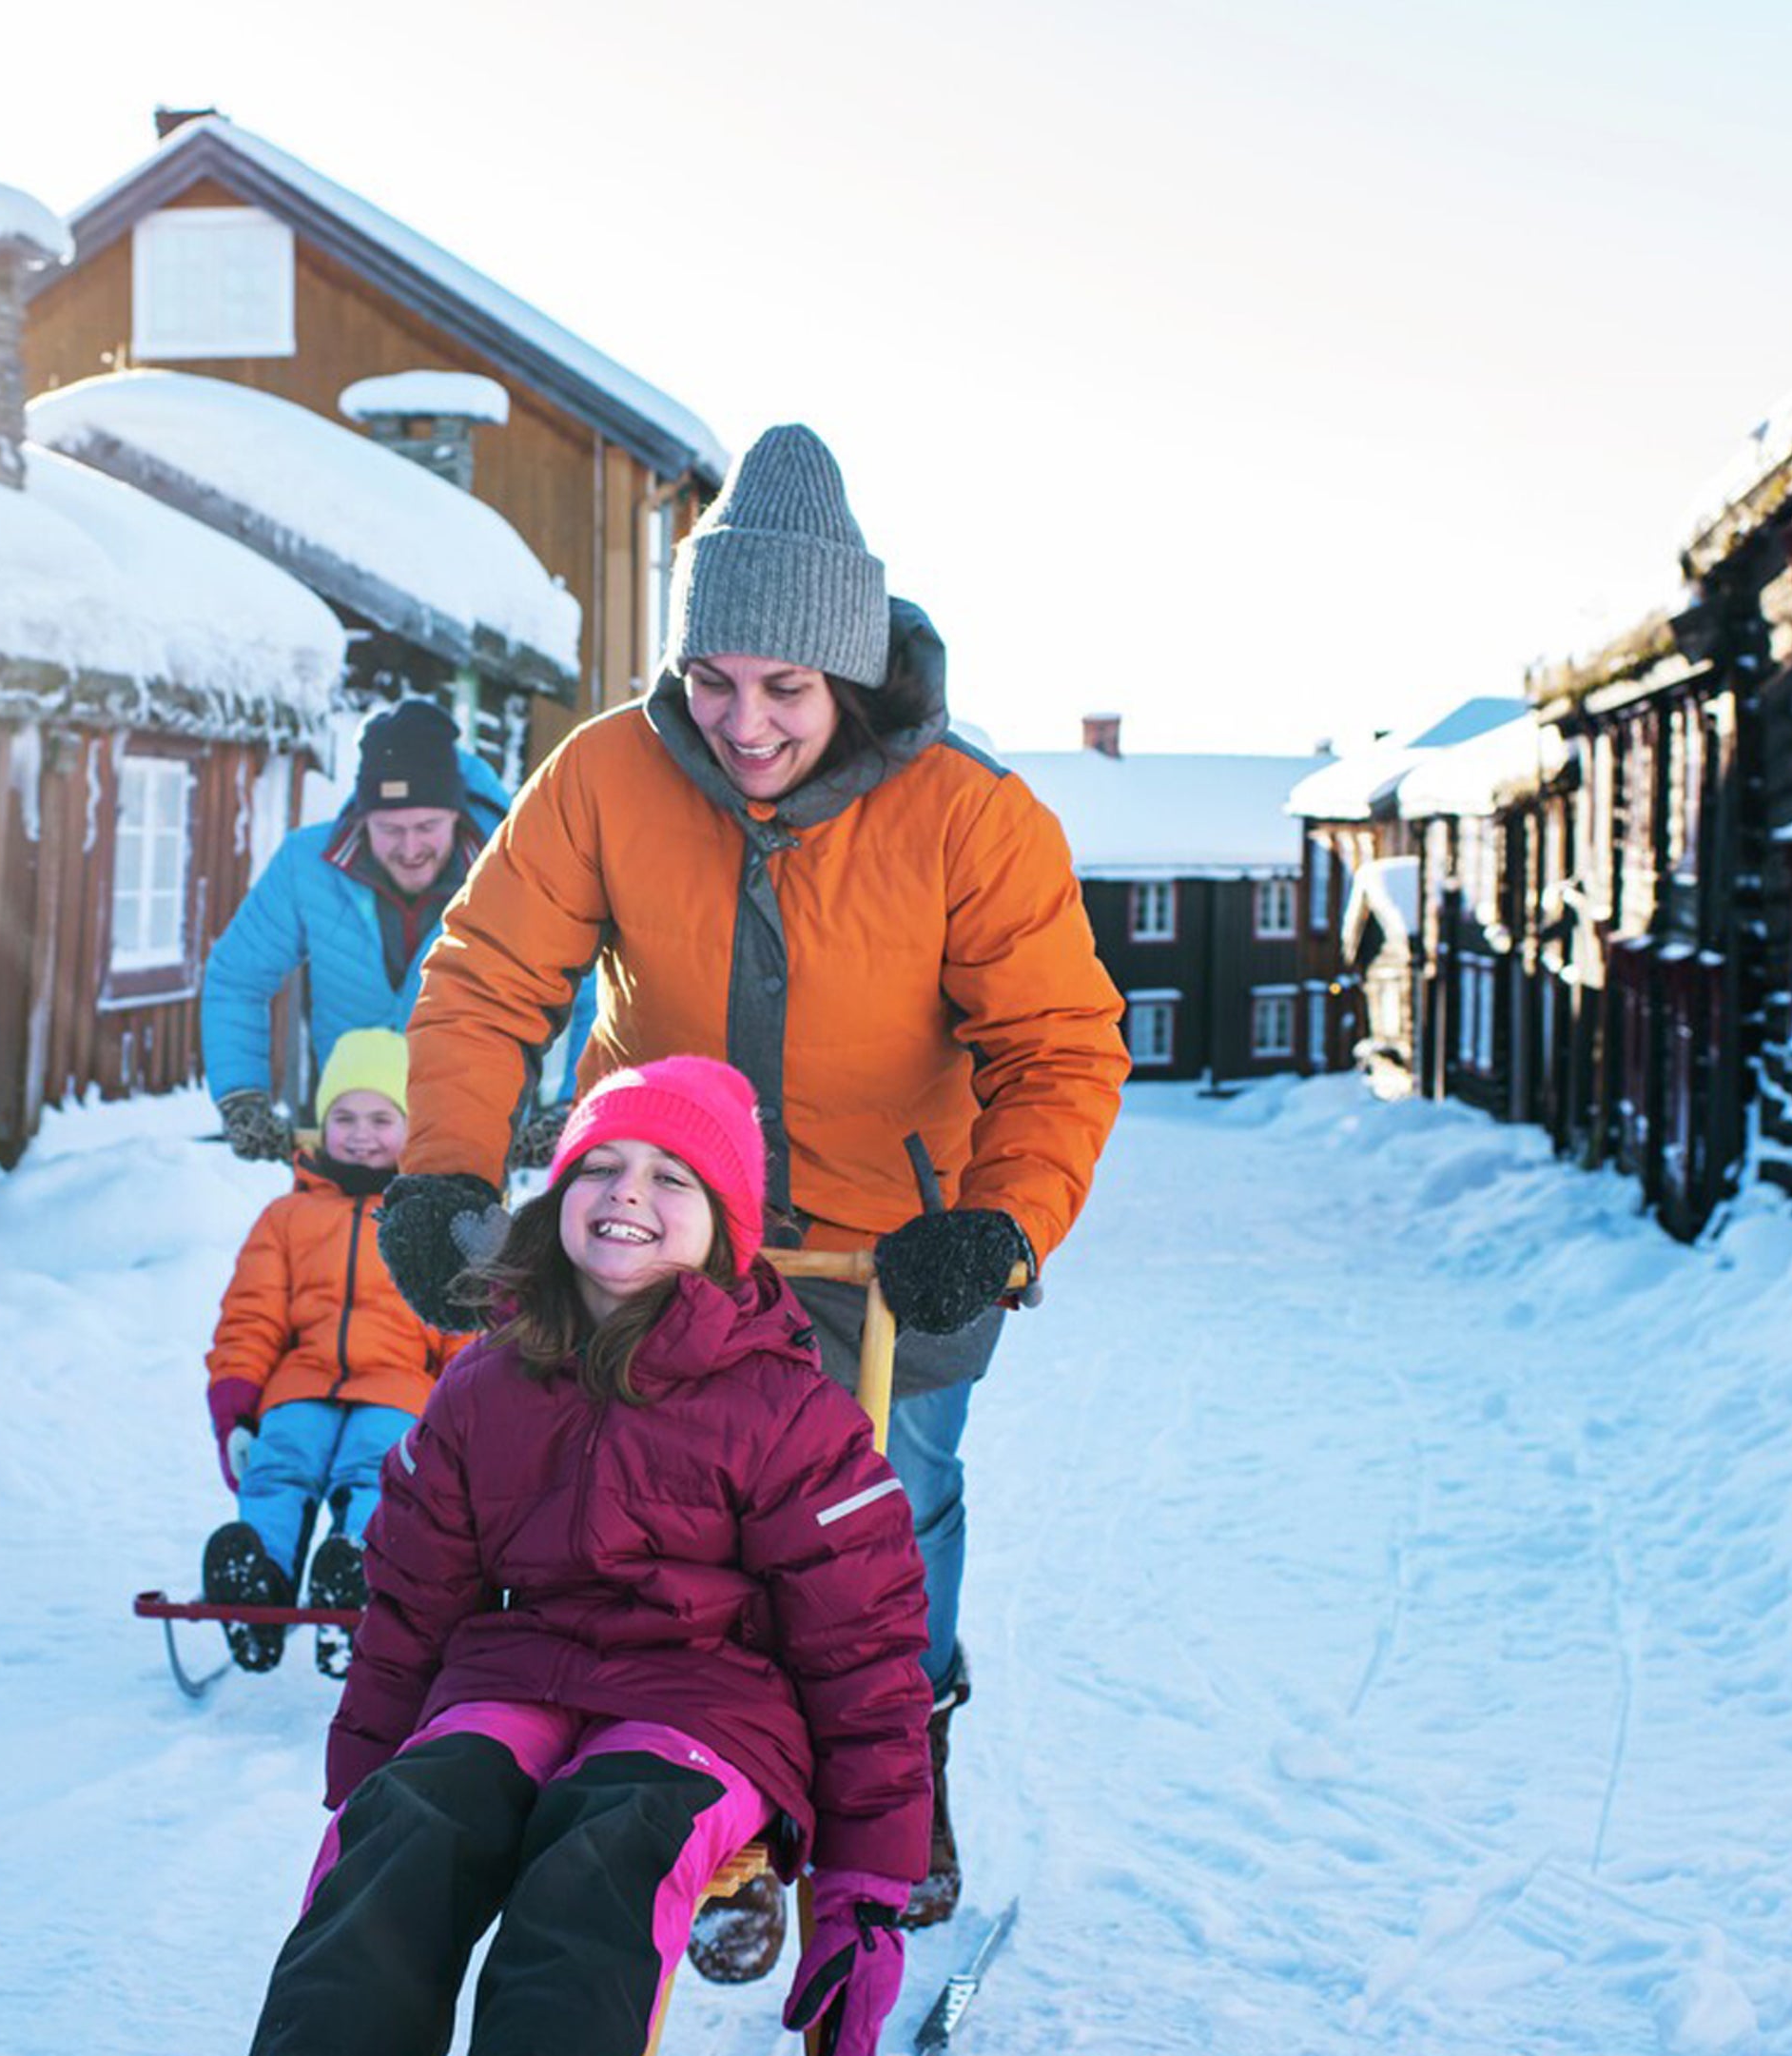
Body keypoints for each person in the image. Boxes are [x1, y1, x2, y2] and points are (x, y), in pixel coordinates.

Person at [376, 421, 1128, 1969]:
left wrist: (997, 1225)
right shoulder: (608, 775)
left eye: (784, 689)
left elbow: (1058, 1042)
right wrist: (452, 1165)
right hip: (666, 1230)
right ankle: (688, 1798)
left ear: (847, 674)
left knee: (883, 1520)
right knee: (644, 1525)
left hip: (894, 1252)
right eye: (713, 681)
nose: (743, 723)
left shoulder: (970, 815)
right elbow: (487, 975)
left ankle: (894, 1782)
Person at [248, 1057, 930, 2056]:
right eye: (600, 1166)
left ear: (727, 1229)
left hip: (706, 1709)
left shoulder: (789, 1412)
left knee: (605, 1849)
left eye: (672, 1178)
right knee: (412, 1826)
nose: (627, 1195)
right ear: (558, 1194)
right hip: (513, 1679)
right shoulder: (486, 1384)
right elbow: (412, 1603)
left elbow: (864, 1654)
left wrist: (863, 1888)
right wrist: (365, 1784)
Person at [202, 698, 577, 1167]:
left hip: (468, 1142)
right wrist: (242, 1096)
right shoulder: (306, 866)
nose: (411, 848)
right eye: (390, 829)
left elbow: (591, 1000)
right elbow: (237, 976)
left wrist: (573, 1110)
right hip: (350, 1142)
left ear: (456, 815)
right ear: (361, 818)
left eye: (427, 827)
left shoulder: (518, 874)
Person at [201, 1028, 461, 1678]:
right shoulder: (285, 1218)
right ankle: (257, 1578)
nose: (361, 1133)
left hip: (398, 1390)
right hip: (299, 1386)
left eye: (382, 1118)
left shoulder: (426, 1222)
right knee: (279, 1462)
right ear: (321, 1125)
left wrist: (463, 1415)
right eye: (344, 1116)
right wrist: (237, 1406)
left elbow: (461, 1330)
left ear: (412, 1127)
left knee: (378, 1468)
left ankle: (354, 1574)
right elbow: (251, 1315)